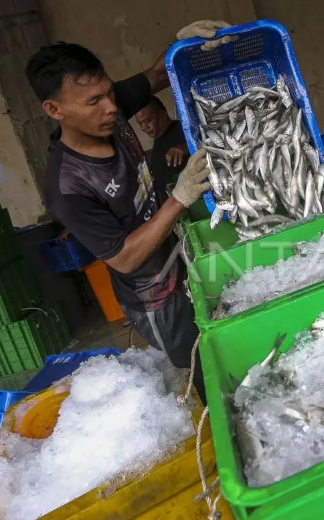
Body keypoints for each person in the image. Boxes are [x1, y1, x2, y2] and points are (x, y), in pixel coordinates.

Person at [25, 20, 231, 403]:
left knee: (227, 336)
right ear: (54, 109)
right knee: (204, 363)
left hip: (184, 253)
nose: (111, 107)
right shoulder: (67, 186)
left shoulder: (109, 107)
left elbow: (154, 76)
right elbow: (124, 257)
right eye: (94, 102)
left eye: (108, 93)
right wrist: (181, 196)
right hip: (156, 294)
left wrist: (179, 44)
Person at [135, 96, 189, 197]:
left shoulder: (184, 130)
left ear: (163, 114)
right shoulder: (158, 141)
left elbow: (205, 146)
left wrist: (187, 148)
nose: (143, 127)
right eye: (140, 123)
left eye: (147, 121)